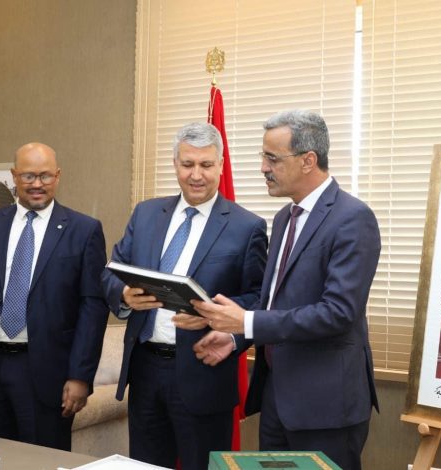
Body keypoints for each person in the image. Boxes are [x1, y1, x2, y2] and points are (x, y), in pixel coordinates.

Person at [185, 110, 380, 470]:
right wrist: (235, 337)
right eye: (264, 157)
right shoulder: (283, 218)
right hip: (277, 398)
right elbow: (273, 301)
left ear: (308, 160)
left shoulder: (352, 218)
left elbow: (338, 313)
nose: (263, 167)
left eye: (272, 158)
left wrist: (247, 322)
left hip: (326, 407)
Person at [101, 122, 267, 470]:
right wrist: (125, 295)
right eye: (187, 164)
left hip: (205, 371)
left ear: (221, 165)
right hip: (145, 371)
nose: (196, 175)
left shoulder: (246, 226)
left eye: (206, 165)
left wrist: (215, 317)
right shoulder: (146, 214)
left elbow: (259, 299)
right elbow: (110, 272)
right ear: (175, 163)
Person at [0, 142, 109, 451]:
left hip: (47, 373)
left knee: (42, 460)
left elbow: (93, 309)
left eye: (45, 176)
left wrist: (81, 376)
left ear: (58, 176)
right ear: (14, 176)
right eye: (28, 176)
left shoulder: (84, 230)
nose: (37, 184)